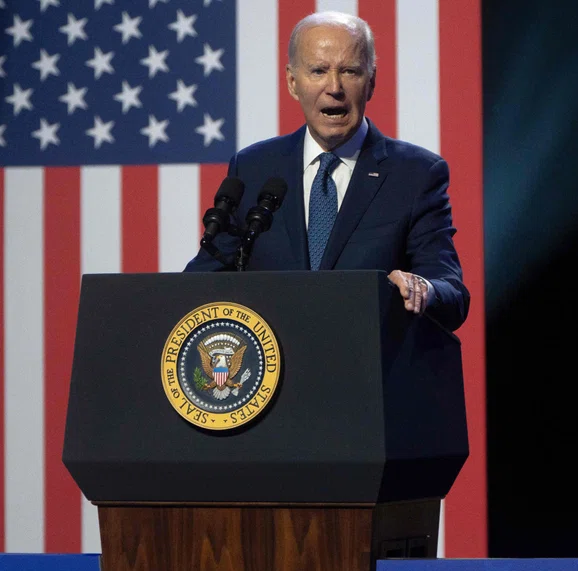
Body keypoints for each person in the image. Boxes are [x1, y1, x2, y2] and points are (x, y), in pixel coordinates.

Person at [184, 11, 470, 332]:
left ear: (371, 81)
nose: (334, 87)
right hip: (275, 372)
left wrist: (424, 289)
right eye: (318, 71)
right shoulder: (253, 168)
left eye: (349, 71)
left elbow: (452, 292)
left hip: (368, 372)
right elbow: (201, 282)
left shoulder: (416, 175)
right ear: (293, 82)